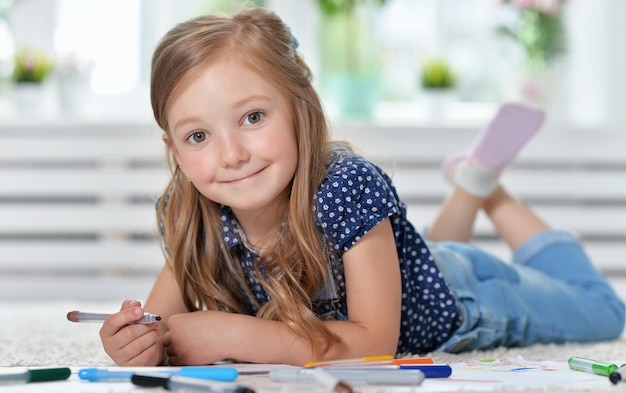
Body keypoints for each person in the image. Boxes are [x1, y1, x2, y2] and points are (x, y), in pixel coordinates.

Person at [99, 7, 625, 367]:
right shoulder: (189, 207)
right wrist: (135, 343)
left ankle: (490, 192)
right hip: (412, 269)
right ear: (174, 152)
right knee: (432, 253)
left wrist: (238, 334)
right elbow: (162, 324)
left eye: (253, 116)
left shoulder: (345, 185)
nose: (232, 154)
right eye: (198, 136)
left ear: (301, 108)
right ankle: (471, 185)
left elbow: (377, 344)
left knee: (602, 310)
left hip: (468, 298)